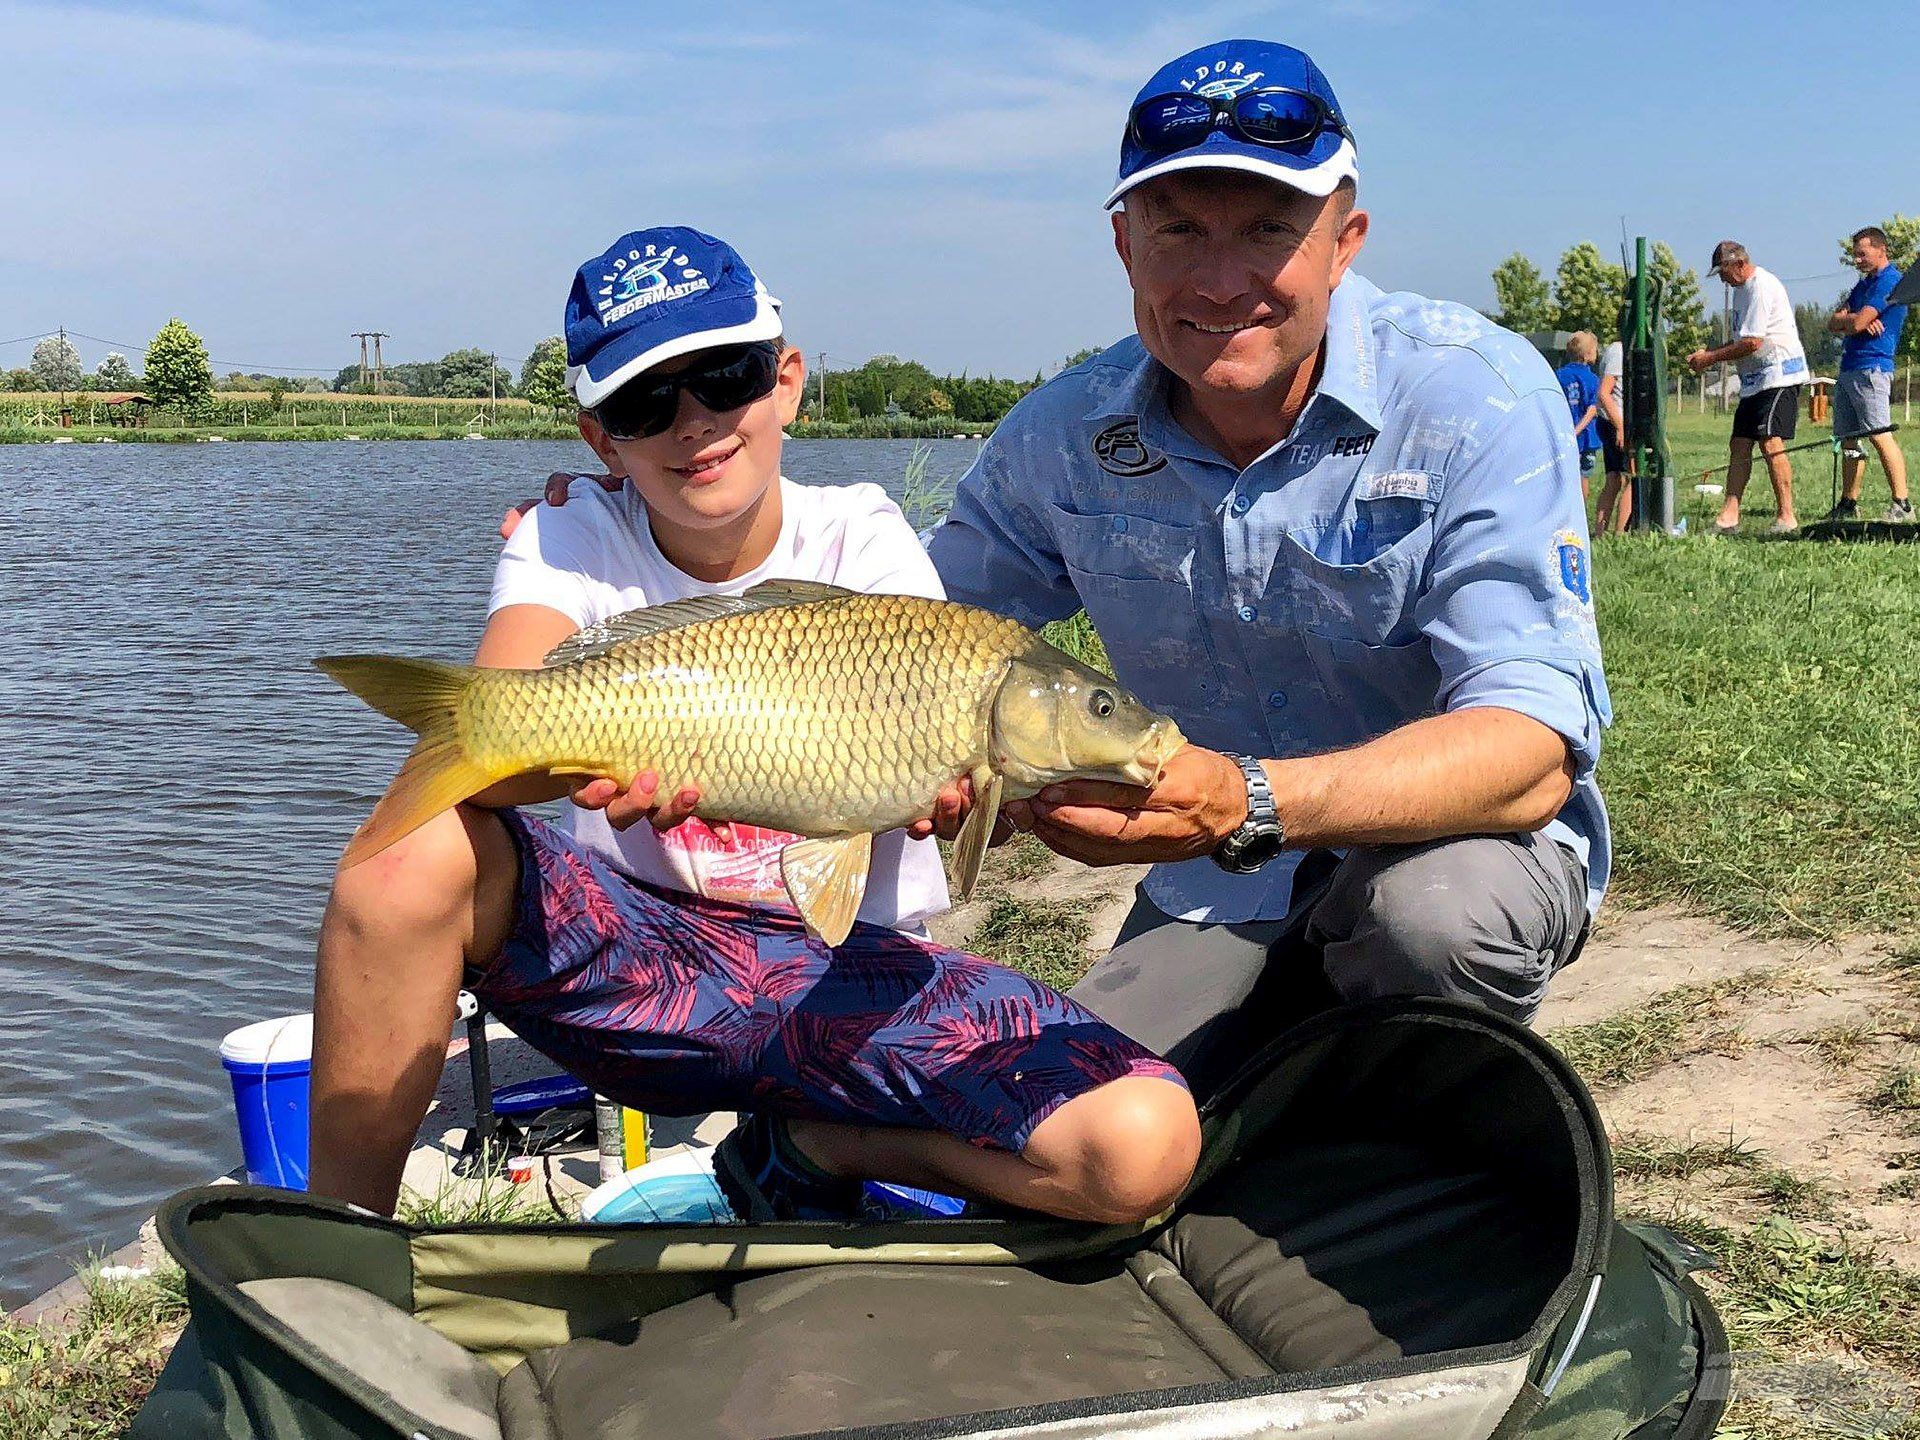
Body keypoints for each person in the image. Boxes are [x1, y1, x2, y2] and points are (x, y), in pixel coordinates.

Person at [309, 226, 1199, 1224]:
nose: (695, 423)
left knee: (1141, 1148)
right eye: (648, 403)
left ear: (785, 379)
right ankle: (335, 1254)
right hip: (641, 968)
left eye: (723, 377)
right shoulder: (570, 534)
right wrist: (571, 765)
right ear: (602, 436)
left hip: (845, 981)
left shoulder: (864, 534)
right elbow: (496, 729)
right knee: (409, 855)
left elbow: (943, 814)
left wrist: (985, 800)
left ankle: (822, 1143)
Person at [911, 39, 1611, 1098]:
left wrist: (1245, 799)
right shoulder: (1062, 435)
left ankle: (1431, 1137)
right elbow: (898, 632)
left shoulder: (1476, 396)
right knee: (1076, 1118)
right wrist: (644, 524)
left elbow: (1530, 753)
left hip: (1459, 853)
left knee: (1432, 928)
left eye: (1270, 230)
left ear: (1345, 241)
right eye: (1179, 228)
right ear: (1123, 243)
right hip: (1219, 884)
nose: (1220, 281)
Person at [1687, 241, 1807, 534]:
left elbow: (1753, 341)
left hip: (1779, 375)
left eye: (1724, 272)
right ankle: (1729, 516)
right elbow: (1744, 341)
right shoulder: (1741, 291)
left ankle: (1786, 516)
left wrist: (1710, 358)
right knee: (1739, 443)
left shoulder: (1760, 287)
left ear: (1739, 263)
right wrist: (1712, 353)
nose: (1722, 280)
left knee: (1770, 442)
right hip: (1754, 380)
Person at [1824, 226, 1912, 523]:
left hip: (1872, 368)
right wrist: (1852, 319)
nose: (1857, 260)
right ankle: (1849, 503)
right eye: (1854, 255)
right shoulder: (1864, 285)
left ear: (1880, 250)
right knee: (1848, 439)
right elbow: (1833, 322)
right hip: (1849, 368)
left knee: (1879, 433)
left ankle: (1902, 503)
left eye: (1862, 254)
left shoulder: (1890, 281)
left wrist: (1854, 321)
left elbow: (1860, 322)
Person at [1556, 332, 1604, 493]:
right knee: (1583, 476)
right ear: (1588, 354)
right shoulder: (1592, 379)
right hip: (1587, 438)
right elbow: (1592, 409)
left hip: (1562, 435)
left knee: (1565, 476)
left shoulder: (1559, 375)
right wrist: (1576, 431)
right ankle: (1579, 514)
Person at [1594, 337, 1634, 533]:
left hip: (1610, 421)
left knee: (1614, 479)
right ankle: (1621, 534)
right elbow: (1604, 393)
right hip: (1613, 422)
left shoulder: (1616, 350)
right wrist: (1620, 427)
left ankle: (1601, 533)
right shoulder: (1619, 351)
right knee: (1630, 478)